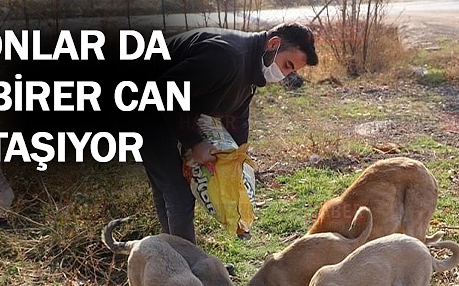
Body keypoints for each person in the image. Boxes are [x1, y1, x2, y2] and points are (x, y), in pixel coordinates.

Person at [129, 23, 319, 244]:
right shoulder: (227, 56)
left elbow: (238, 115)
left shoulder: (251, 65)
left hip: (170, 107)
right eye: (287, 65)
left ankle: (174, 255)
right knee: (177, 192)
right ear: (273, 44)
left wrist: (238, 157)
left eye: (292, 71)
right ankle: (189, 266)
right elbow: (165, 91)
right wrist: (195, 141)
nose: (285, 75)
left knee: (168, 190)